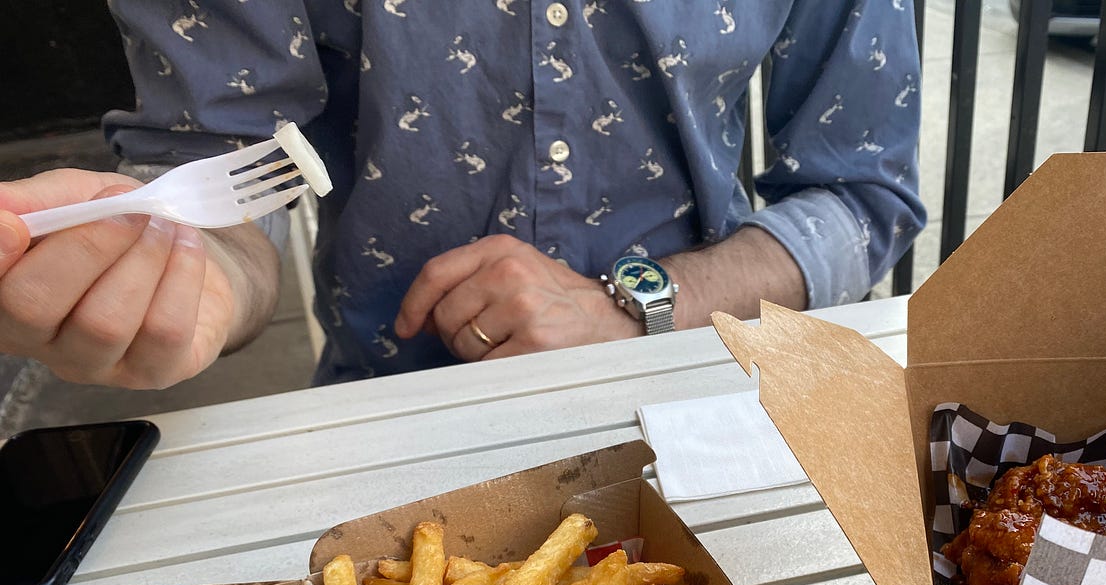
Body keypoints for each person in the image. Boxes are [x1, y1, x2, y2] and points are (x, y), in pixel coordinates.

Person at [0, 2, 925, 390]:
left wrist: (638, 306)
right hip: (384, 415)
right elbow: (217, 165)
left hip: (700, 389)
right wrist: (180, 277)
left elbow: (862, 195)